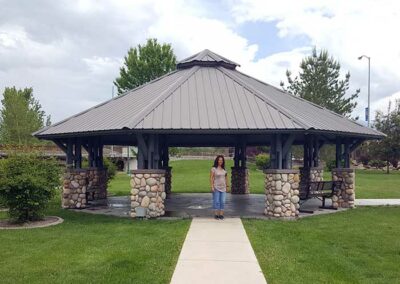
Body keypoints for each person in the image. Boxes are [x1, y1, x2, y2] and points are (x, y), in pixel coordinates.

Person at [210, 155, 230, 220]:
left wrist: (227, 186)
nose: (220, 161)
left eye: (221, 160)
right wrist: (212, 186)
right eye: (219, 160)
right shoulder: (214, 168)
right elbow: (211, 178)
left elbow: (226, 178)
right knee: (216, 201)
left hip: (223, 188)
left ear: (223, 161)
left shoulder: (224, 169)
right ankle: (216, 215)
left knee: (223, 201)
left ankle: (221, 215)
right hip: (216, 187)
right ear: (217, 160)